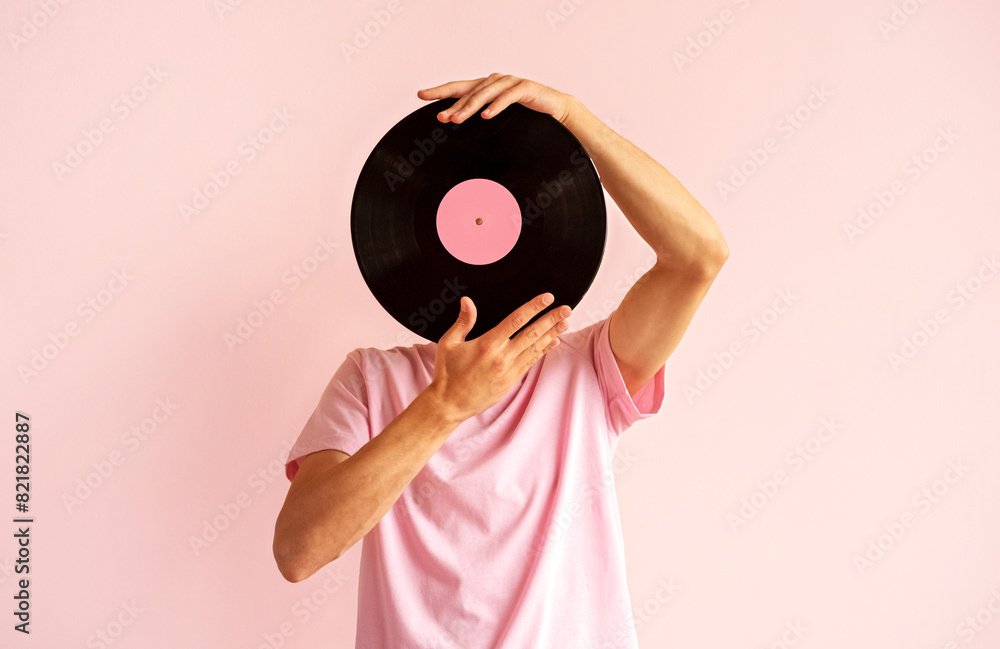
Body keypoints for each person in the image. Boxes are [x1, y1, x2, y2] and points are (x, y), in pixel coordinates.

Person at [272, 73, 729, 649]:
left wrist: (574, 120)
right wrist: (445, 406)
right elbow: (299, 552)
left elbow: (699, 255)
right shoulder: (370, 379)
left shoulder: (588, 369)